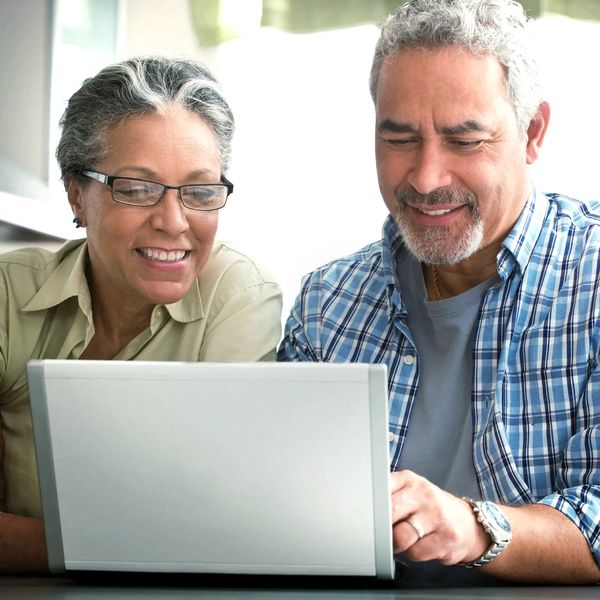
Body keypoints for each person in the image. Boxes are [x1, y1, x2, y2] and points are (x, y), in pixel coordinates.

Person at [278, 0, 600, 585]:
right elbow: (283, 512)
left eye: (464, 141)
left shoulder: (594, 279)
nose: (426, 179)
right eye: (399, 139)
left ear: (533, 132)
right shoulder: (327, 306)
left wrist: (474, 527)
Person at [0, 56, 282, 572]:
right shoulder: (7, 293)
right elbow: (162, 538)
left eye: (199, 192)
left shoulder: (237, 295)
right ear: (76, 194)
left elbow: (216, 526)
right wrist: (120, 545)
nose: (174, 222)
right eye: (136, 188)